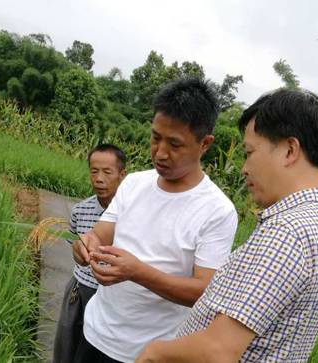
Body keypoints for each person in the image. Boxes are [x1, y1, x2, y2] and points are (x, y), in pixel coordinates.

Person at [135, 88, 318, 363]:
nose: (244, 168)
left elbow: (217, 351)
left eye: (249, 152)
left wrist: (154, 352)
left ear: (290, 150)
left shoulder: (287, 232)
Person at [73, 78, 238, 363]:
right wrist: (88, 243)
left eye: (175, 144)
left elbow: (202, 292)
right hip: (96, 330)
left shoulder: (218, 211)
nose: (160, 153)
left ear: (205, 144)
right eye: (155, 137)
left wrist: (137, 272)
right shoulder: (134, 183)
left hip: (147, 353)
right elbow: (103, 232)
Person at [53, 144, 127, 363]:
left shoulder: (130, 214)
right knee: (68, 339)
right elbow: (74, 239)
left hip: (111, 293)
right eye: (94, 171)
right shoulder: (80, 210)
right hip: (81, 287)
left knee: (95, 350)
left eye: (107, 172)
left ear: (122, 175)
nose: (99, 179)